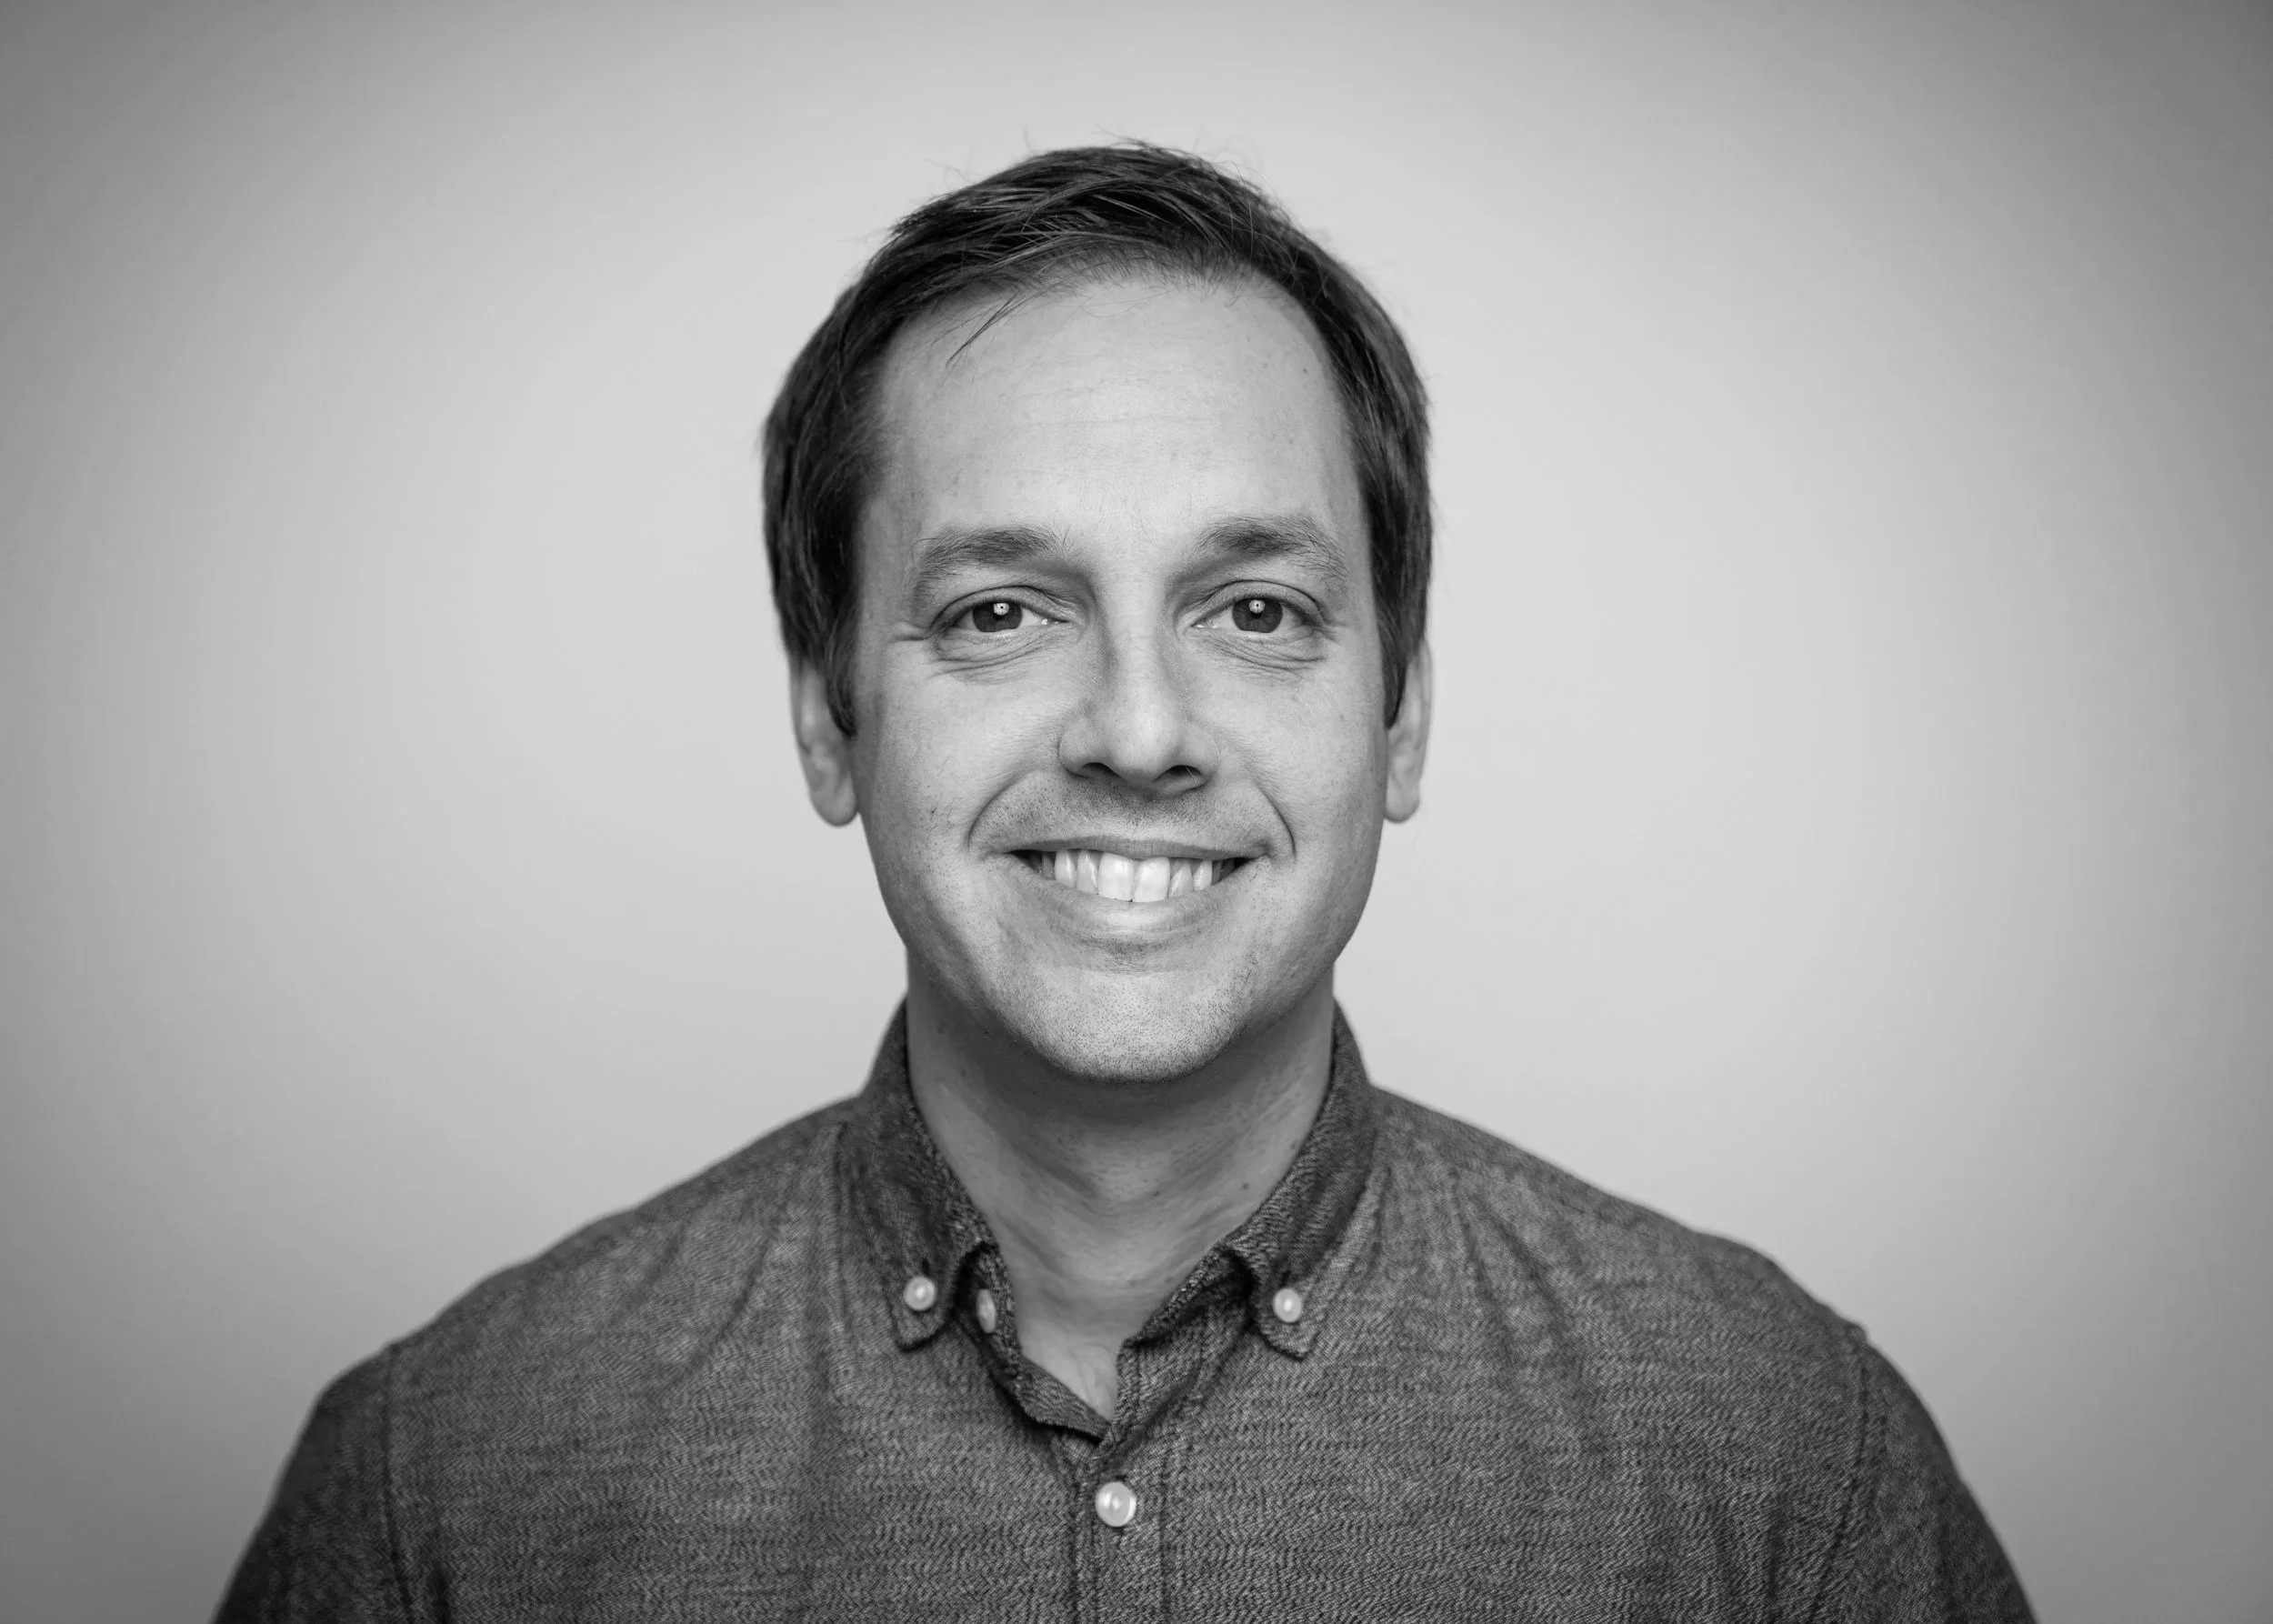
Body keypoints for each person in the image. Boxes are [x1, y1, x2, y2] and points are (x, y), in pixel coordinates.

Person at [215, 143, 2031, 1621]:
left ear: (1398, 717)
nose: (1142, 730)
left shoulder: (1777, 1456)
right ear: (829, 719)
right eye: (1002, 610)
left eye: (1257, 609)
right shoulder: (445, 1482)